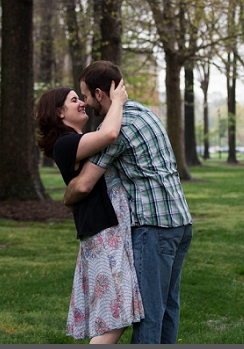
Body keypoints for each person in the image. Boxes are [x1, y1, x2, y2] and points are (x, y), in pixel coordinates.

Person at [63, 60, 193, 345]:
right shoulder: (145, 113)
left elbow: (84, 184)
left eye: (85, 95)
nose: (84, 102)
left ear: (99, 93)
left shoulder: (118, 127)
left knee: (149, 313)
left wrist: (67, 197)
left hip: (154, 227)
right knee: (169, 308)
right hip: (181, 223)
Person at [35, 79, 144, 344]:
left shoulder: (77, 140)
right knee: (115, 319)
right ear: (59, 113)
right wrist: (117, 101)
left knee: (117, 314)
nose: (83, 102)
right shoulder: (65, 143)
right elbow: (109, 135)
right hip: (103, 232)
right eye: (74, 100)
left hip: (107, 231)